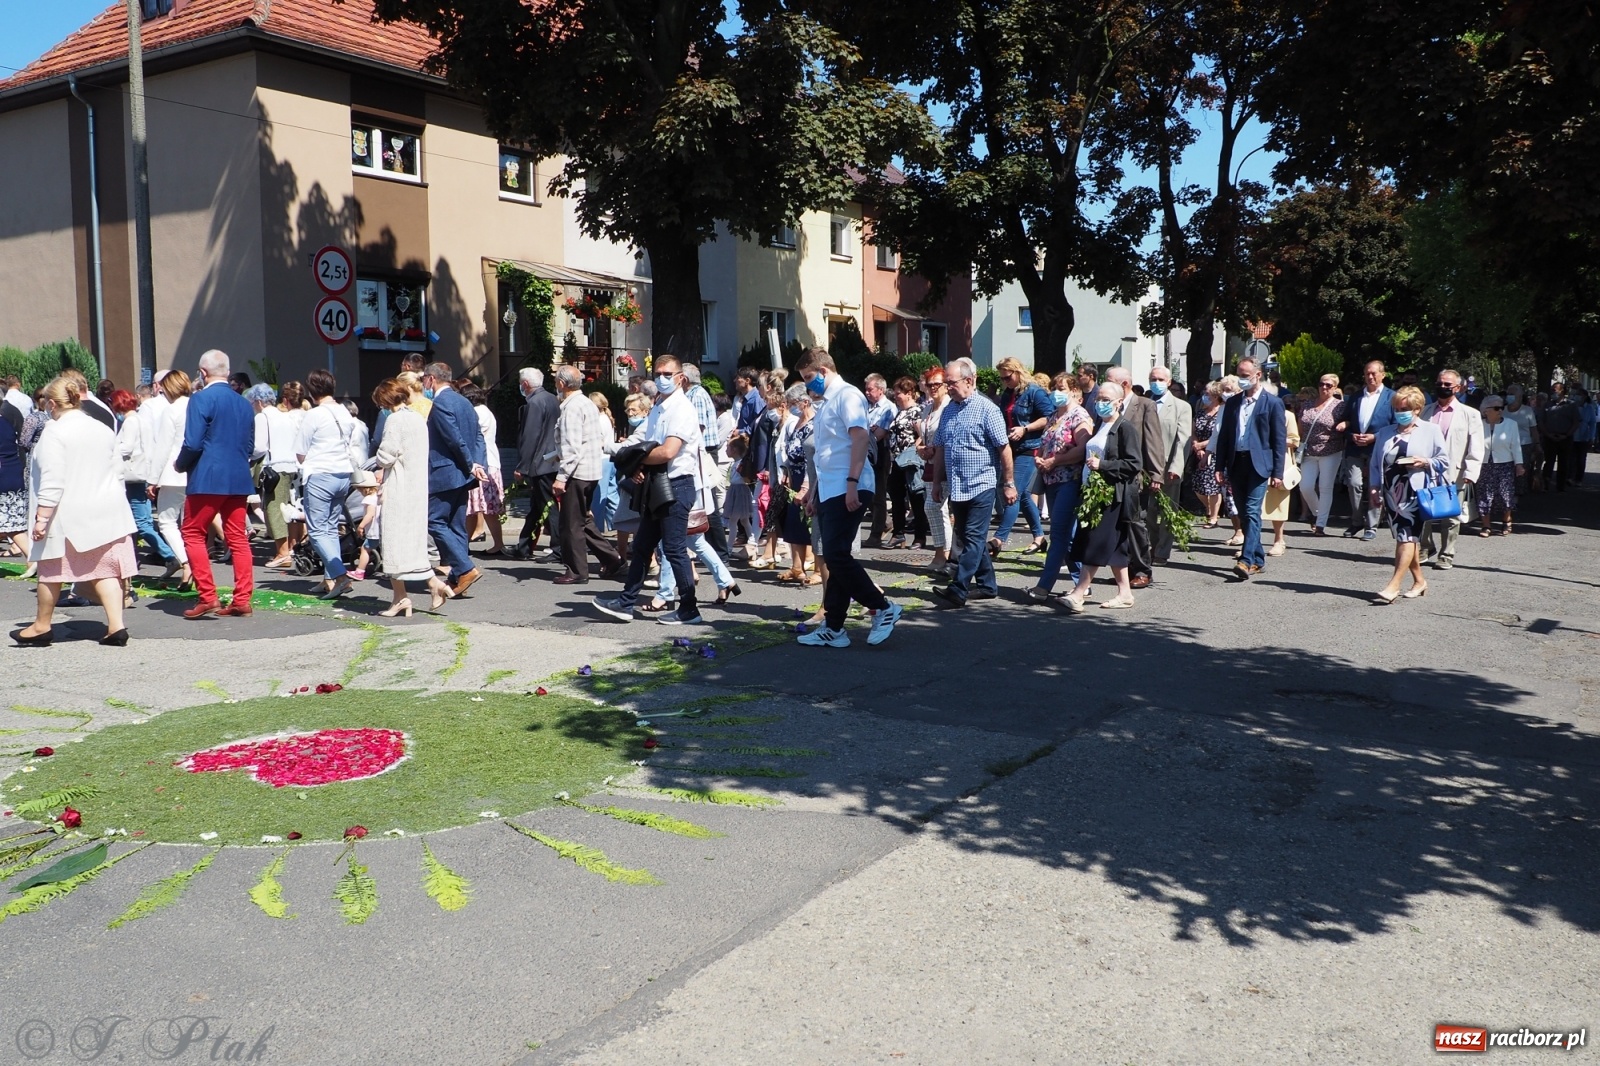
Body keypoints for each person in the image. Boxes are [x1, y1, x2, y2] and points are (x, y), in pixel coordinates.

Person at [12, 376, 139, 646]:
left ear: (51, 404)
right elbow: (117, 470)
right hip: (108, 508)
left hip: (69, 514)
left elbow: (52, 479)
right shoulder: (101, 428)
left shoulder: (54, 432)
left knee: (51, 571)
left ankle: (41, 625)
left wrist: (41, 518)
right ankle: (116, 626)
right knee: (105, 571)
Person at [789, 348, 900, 647]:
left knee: (836, 555)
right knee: (836, 556)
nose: (808, 385)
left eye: (809, 378)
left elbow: (860, 438)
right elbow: (826, 455)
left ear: (823, 371)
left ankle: (883, 607)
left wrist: (852, 482)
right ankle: (834, 626)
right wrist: (813, 493)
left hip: (847, 485)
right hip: (830, 487)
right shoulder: (826, 402)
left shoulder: (848, 395)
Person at [594, 355, 709, 626]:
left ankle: (689, 608)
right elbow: (645, 443)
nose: (662, 378)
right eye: (658, 373)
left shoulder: (682, 409)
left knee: (675, 549)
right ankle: (626, 602)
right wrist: (635, 462)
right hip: (656, 484)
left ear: (680, 377)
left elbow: (667, 451)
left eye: (667, 373)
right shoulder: (659, 406)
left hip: (676, 485)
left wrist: (637, 458)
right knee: (644, 545)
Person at [173, 350, 256, 619]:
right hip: (238, 476)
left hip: (208, 477)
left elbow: (193, 442)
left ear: (203, 372)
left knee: (193, 533)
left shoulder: (200, 399)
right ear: (228, 372)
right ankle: (242, 598)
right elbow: (250, 446)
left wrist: (180, 464)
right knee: (238, 538)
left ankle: (207, 596)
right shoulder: (244, 403)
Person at [927, 357, 1015, 609]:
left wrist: (1008, 483)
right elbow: (941, 449)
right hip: (957, 485)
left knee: (974, 538)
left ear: (968, 381)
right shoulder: (949, 410)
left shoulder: (987, 409)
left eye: (951, 382)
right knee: (967, 537)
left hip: (982, 483)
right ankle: (987, 585)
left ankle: (959, 587)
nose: (947, 387)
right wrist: (936, 483)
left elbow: (1004, 448)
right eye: (946, 383)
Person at [370, 378, 455, 615]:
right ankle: (420, 589)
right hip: (417, 487)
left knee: (394, 543)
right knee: (412, 543)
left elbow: (386, 456)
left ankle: (404, 596)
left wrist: (378, 461)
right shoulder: (418, 418)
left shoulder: (394, 420)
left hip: (399, 488)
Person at [1063, 382, 1143, 612]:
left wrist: (1103, 465)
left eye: (1106, 399)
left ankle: (1078, 594)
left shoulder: (1125, 428)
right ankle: (1125, 593)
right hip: (1094, 493)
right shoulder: (1101, 424)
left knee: (1095, 543)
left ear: (1119, 402)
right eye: (1098, 399)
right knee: (1116, 546)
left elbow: (1133, 463)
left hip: (1111, 496)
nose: (1100, 403)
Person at [1370, 386, 1449, 603]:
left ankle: (1393, 585)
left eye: (1404, 408)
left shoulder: (1430, 430)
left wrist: (1424, 462)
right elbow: (1376, 464)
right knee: (1408, 538)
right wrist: (1374, 488)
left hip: (1415, 492)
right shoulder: (1386, 432)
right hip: (1392, 494)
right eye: (1396, 408)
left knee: (1406, 537)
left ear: (1417, 409)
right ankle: (1419, 581)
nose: (1399, 412)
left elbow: (1444, 461)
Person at [1210, 357, 1287, 580]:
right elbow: (1225, 436)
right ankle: (1258, 559)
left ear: (1257, 375)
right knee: (1244, 513)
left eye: (1245, 376)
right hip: (1237, 462)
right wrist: (1220, 465)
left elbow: (1278, 440)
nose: (1241, 380)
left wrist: (1277, 472)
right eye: (1239, 375)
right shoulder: (1233, 403)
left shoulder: (1272, 403)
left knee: (1253, 511)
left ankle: (1245, 561)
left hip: (1259, 465)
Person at [551, 365, 623, 584]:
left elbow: (572, 446)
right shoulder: (587, 403)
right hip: (590, 470)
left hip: (577, 472)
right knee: (582, 520)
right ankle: (612, 560)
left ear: (562, 384)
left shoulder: (571, 407)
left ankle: (576, 571)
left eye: (556, 380)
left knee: (571, 524)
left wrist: (561, 477)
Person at [422, 361, 489, 597]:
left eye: (423, 379)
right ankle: (458, 577)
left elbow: (453, 439)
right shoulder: (463, 401)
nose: (423, 384)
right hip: (462, 474)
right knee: (456, 525)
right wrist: (478, 464)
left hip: (446, 473)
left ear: (431, 379)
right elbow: (478, 436)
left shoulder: (439, 403)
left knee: (435, 521)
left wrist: (472, 465)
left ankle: (465, 568)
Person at [1027, 374, 1094, 601]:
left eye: (1061, 387)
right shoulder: (1054, 415)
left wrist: (1054, 461)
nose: (1056, 391)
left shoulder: (1079, 415)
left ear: (1074, 390)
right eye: (1054, 387)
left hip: (1070, 480)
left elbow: (1082, 448)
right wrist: (1041, 459)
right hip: (1051, 480)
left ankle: (1044, 586)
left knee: (1058, 534)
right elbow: (1047, 444)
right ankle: (1082, 583)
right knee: (1067, 535)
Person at [295, 369, 360, 599]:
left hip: (320, 473)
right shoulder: (344, 412)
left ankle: (340, 577)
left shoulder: (314, 414)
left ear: (312, 392)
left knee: (317, 531)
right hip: (342, 473)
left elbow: (301, 452)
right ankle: (329, 578)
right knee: (331, 528)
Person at [1419, 369, 1485, 571]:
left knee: (1451, 516)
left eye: (1448, 385)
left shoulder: (1470, 414)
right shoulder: (1425, 411)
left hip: (1455, 472)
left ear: (1458, 388)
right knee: (1423, 513)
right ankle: (1425, 547)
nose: (1443, 387)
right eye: (1440, 383)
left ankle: (1446, 554)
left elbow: (1476, 445)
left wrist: (1471, 472)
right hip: (1426, 470)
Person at [989, 357, 1055, 557]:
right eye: (1002, 378)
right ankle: (1039, 537)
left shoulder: (1035, 392)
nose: (1004, 382)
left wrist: (1025, 429)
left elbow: (1049, 418)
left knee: (1013, 491)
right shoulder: (1009, 393)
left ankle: (998, 540)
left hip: (1030, 447)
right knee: (1025, 495)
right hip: (1012, 447)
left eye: (1007, 377)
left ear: (1017, 372)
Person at [1104, 366, 1163, 588]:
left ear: (1124, 384)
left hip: (1136, 475)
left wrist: (1156, 473)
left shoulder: (1145, 405)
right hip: (1113, 473)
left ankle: (1142, 570)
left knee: (1137, 524)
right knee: (1120, 524)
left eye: (1109, 381)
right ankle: (1125, 568)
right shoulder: (1108, 407)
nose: (1105, 385)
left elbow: (1153, 441)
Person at [110, 389, 174, 572]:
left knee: (141, 523)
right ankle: (133, 558)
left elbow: (127, 447)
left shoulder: (130, 422)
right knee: (140, 522)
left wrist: (111, 448)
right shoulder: (141, 420)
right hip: (143, 474)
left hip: (133, 477)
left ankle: (170, 555)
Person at [1337, 360, 1396, 541]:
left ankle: (1372, 526)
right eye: (1367, 373)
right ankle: (1356, 521)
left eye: (1374, 373)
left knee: (1374, 487)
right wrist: (1350, 434)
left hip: (1377, 448)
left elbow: (1396, 425)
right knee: (1354, 484)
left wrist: (1375, 437)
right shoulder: (1356, 397)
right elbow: (1346, 421)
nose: (1370, 377)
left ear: (1383, 374)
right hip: (1355, 448)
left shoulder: (1391, 397)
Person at [244, 384, 298, 568]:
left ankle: (282, 553)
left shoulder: (262, 417)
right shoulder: (285, 416)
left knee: (274, 509)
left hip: (274, 467)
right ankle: (289, 548)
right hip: (290, 466)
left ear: (258, 401)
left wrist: (247, 455)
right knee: (287, 508)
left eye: (252, 403)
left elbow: (259, 446)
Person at [682, 362, 730, 561]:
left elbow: (698, 428)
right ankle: (712, 550)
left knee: (708, 505)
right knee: (703, 504)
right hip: (700, 453)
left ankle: (720, 552)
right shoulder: (693, 394)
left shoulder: (697, 395)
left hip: (704, 453)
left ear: (684, 378)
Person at [512, 367, 561, 560]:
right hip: (550, 459)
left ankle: (558, 548)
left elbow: (530, 436)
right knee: (537, 506)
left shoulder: (534, 403)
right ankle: (524, 546)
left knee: (548, 506)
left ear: (525, 384)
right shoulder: (551, 399)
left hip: (539, 463)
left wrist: (522, 467)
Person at [1145, 365, 1192, 564]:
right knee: (1147, 512)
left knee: (1167, 512)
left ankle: (1162, 551)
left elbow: (1183, 439)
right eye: (1153, 379)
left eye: (1160, 380)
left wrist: (1176, 466)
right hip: (1145, 467)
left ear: (1169, 382)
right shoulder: (1144, 403)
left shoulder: (1181, 407)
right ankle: (1151, 546)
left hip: (1168, 467)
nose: (1156, 383)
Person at [152, 370, 195, 589]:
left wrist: (152, 479)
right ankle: (191, 563)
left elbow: (163, 447)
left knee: (167, 522)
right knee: (190, 524)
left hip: (172, 471)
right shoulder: (196, 405)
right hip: (194, 471)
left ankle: (186, 563)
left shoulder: (171, 410)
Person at [777, 382, 819, 584]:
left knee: (810, 523)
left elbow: (813, 456)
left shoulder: (815, 423)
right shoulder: (797, 422)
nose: (791, 406)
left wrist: (806, 484)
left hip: (808, 475)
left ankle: (818, 570)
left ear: (804, 401)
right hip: (794, 474)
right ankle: (796, 567)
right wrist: (786, 469)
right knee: (794, 522)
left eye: (793, 402)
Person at [458, 384, 507, 556]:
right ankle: (466, 544)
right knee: (477, 508)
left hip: (483, 464)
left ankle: (498, 543)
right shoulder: (486, 411)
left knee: (485, 508)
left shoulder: (477, 412)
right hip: (489, 463)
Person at [917, 367, 955, 576]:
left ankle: (944, 552)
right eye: (929, 384)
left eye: (936, 384)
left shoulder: (949, 406)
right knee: (934, 508)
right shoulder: (928, 408)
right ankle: (942, 551)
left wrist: (935, 448)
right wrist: (921, 447)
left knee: (934, 506)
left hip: (946, 463)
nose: (932, 388)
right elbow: (924, 435)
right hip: (931, 463)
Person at [1296, 374, 1344, 535]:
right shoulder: (1308, 404)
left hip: (1330, 450)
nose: (1324, 387)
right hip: (1308, 450)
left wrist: (1345, 424)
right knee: (1305, 486)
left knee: (1325, 487)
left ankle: (1320, 524)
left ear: (1335, 388)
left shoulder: (1340, 406)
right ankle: (1317, 514)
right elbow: (1300, 424)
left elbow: (1348, 422)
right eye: (1322, 384)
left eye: (1329, 385)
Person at [885, 377, 929, 550]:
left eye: (899, 393)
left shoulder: (916, 411)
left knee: (916, 498)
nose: (896, 397)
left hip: (910, 460)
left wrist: (914, 448)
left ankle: (920, 536)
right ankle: (898, 534)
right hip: (896, 459)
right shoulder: (899, 412)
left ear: (909, 393)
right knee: (896, 497)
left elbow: (922, 434)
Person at [1475, 395, 1523, 536]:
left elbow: (1516, 446)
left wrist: (1519, 464)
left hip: (1505, 463)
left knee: (1505, 494)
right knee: (1484, 494)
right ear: (1486, 410)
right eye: (1496, 408)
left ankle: (1507, 520)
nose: (1500, 411)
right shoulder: (1478, 424)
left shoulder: (1511, 424)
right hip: (1483, 464)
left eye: (1501, 408)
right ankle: (1486, 526)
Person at [1261, 406, 1302, 557]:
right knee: (1253, 505)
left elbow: (1295, 441)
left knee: (1278, 502)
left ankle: (1279, 541)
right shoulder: (1255, 412)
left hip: (1279, 464)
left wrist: (1276, 439)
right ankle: (1251, 543)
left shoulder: (1287, 415)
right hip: (1258, 462)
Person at [862, 373, 896, 548]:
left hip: (881, 453)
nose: (866, 392)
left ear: (881, 390)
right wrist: (869, 429)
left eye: (870, 389)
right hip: (865, 452)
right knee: (867, 492)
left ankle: (876, 534)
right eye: (866, 389)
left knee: (878, 494)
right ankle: (884, 522)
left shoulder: (888, 408)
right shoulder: (867, 407)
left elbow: (879, 434)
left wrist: (869, 431)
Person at [0, 388, 32, 564]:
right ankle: (33, 559)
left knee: (11, 526)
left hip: (3, 480)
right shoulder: (5, 422)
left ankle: (33, 560)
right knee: (13, 525)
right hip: (13, 477)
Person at [1190, 381, 1227, 528]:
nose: (1205, 396)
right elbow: (1193, 432)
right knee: (1198, 486)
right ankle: (1210, 509)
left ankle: (1213, 516)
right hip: (1198, 453)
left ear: (1216, 396)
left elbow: (1219, 435)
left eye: (1208, 394)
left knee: (1213, 486)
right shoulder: (1200, 412)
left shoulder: (1222, 412)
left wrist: (1203, 445)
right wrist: (1196, 446)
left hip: (1215, 453)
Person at [1502, 385, 1540, 494]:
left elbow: (1533, 429)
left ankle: (1518, 494)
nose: (1509, 396)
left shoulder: (1527, 411)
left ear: (1519, 396)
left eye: (1512, 394)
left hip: (1524, 445)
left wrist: (1537, 445)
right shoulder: (1502, 410)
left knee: (1521, 471)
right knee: (1507, 470)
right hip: (1506, 445)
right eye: (1508, 394)